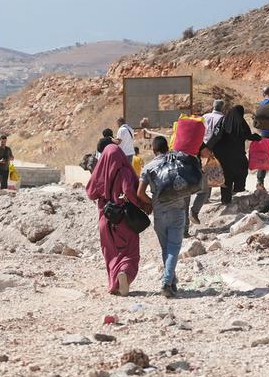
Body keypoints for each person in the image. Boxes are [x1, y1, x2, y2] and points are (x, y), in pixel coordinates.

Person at [85, 144, 143, 297]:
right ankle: (124, 273)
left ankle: (113, 284)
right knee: (130, 252)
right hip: (123, 219)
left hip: (105, 219)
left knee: (111, 253)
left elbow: (90, 193)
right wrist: (140, 205)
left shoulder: (100, 173)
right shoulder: (124, 172)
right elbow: (130, 192)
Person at [138, 136, 187, 298]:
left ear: (153, 150)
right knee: (174, 247)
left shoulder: (149, 167)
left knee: (166, 248)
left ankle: (171, 281)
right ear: (167, 148)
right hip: (178, 211)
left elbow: (140, 193)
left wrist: (153, 202)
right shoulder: (177, 161)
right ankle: (167, 282)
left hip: (159, 213)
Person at [205, 105, 261, 204]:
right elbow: (247, 134)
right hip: (237, 155)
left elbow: (215, 136)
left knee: (227, 177)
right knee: (242, 168)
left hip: (223, 155)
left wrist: (208, 148)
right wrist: (255, 137)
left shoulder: (223, 121)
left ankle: (226, 199)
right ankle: (238, 188)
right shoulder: (241, 122)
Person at [190, 100, 226, 225]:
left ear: (213, 107)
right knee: (215, 171)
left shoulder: (205, 117)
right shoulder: (223, 118)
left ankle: (206, 198)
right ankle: (211, 196)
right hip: (213, 149)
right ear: (223, 108)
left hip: (201, 148)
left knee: (206, 171)